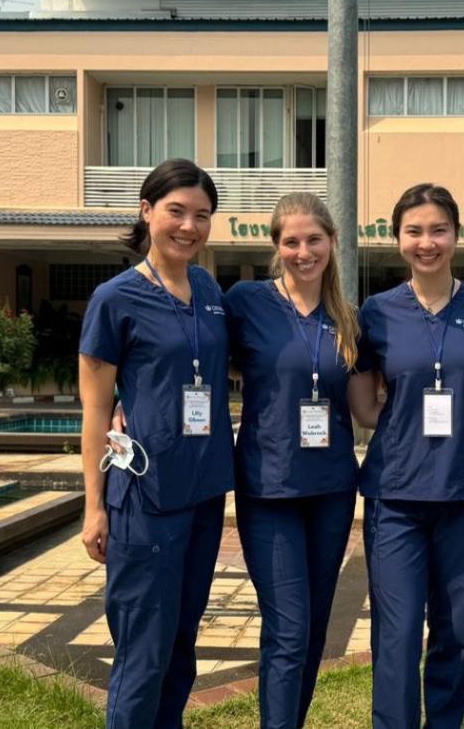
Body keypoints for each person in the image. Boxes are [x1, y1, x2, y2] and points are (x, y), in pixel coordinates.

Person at [78, 159, 235, 729]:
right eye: (176, 211)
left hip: (203, 493)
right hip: (143, 497)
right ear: (147, 212)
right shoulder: (114, 299)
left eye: (202, 215)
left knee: (181, 648)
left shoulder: (210, 290)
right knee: (144, 651)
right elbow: (96, 413)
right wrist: (94, 507)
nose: (189, 226)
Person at [347, 183, 464, 729]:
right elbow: (365, 408)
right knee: (398, 630)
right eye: (414, 231)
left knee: (455, 631)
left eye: (438, 230)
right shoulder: (378, 311)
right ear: (397, 239)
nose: (427, 242)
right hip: (396, 497)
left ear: (457, 236)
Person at [223, 192, 360, 729]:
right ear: (277, 247)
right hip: (270, 489)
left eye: (314, 240)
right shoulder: (246, 302)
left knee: (315, 630)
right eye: (291, 242)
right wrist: (126, 399)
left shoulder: (347, 318)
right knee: (289, 627)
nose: (304, 251)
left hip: (331, 490)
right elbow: (188, 351)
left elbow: (365, 402)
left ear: (331, 241)